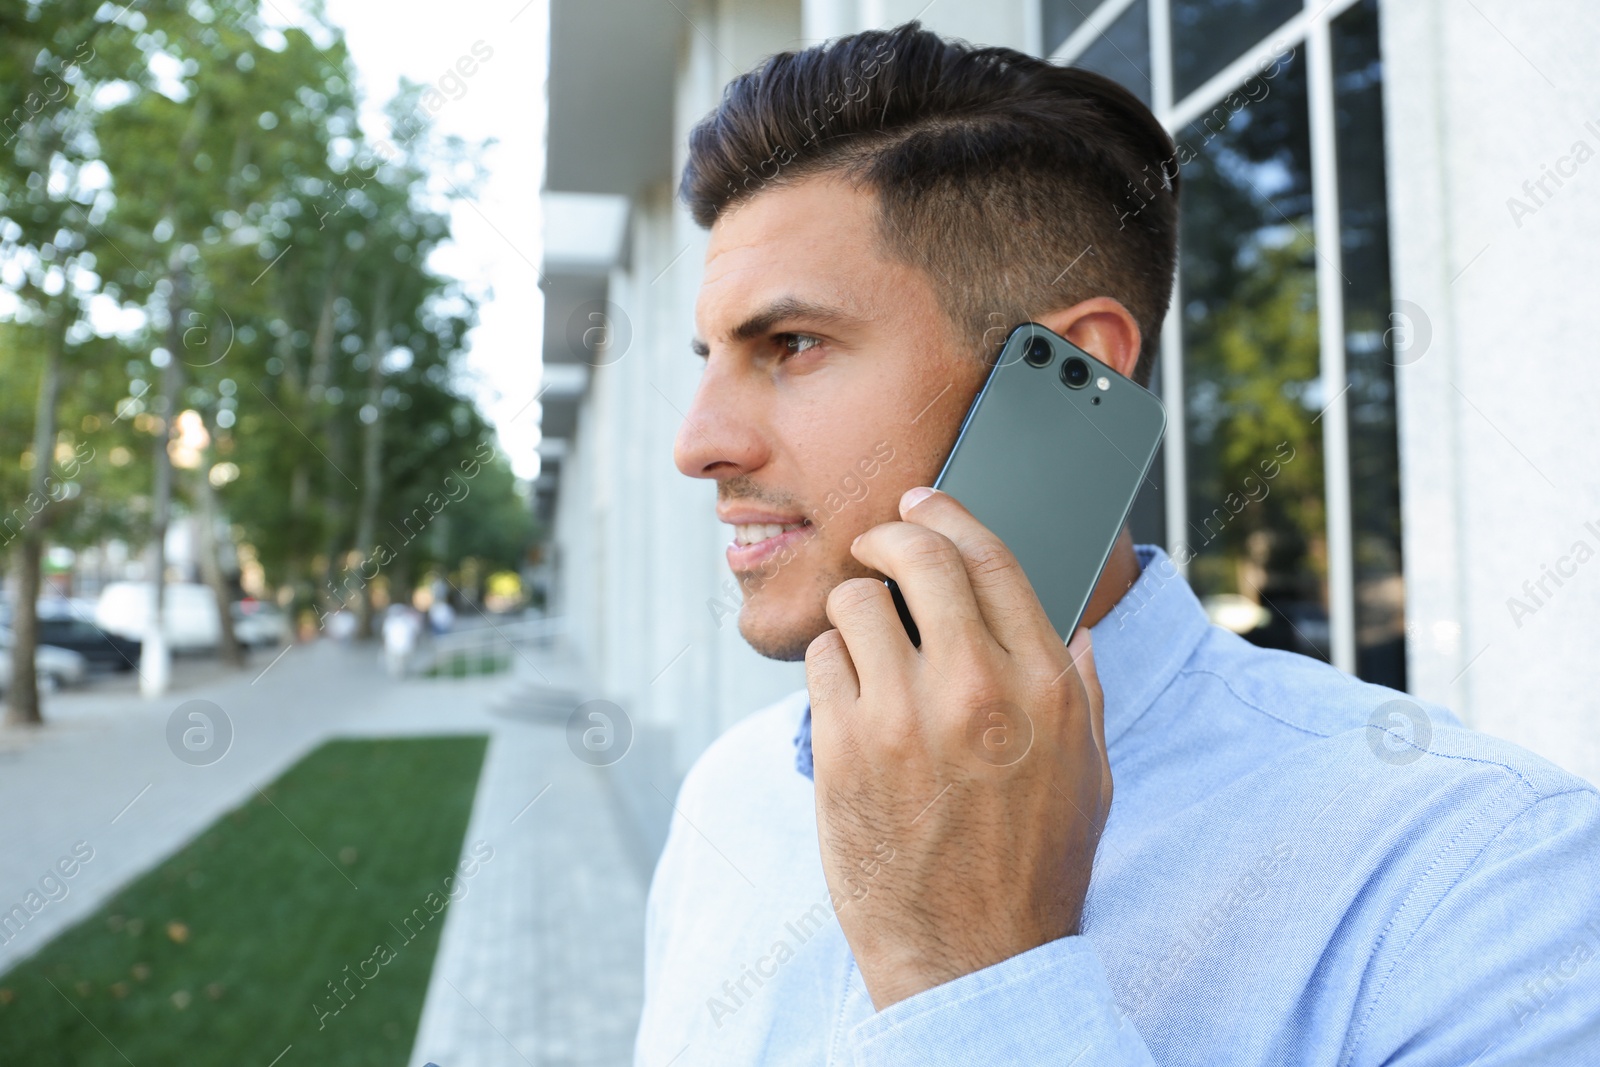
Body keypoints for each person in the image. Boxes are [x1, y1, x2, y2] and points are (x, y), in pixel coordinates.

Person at [632, 21, 1600, 1066]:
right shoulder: (727, 799)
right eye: (709, 358)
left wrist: (971, 972)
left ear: (1069, 369)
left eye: (791, 345)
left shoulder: (1482, 874)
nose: (698, 445)